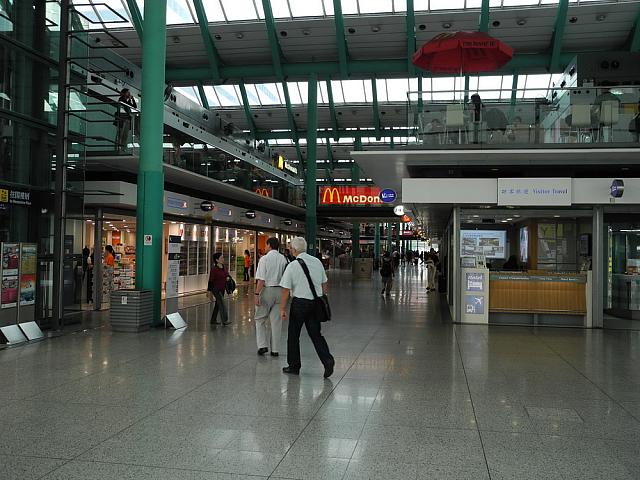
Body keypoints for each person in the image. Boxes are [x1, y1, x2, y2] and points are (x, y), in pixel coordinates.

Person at [279, 237, 335, 378]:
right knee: (316, 334)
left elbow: (285, 290)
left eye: (291, 248)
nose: (290, 250)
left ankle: (294, 366)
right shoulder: (317, 262)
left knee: (293, 335)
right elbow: (324, 284)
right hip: (315, 304)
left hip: (299, 304)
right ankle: (327, 360)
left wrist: (282, 308)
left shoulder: (292, 265)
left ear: (294, 250)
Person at [254, 237, 288, 357]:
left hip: (267, 290)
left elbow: (261, 279)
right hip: (280, 291)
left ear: (269, 245)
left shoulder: (264, 259)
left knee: (260, 319)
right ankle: (275, 350)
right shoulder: (283, 258)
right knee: (276, 321)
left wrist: (257, 294)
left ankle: (262, 346)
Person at [208, 253, 231, 325]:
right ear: (217, 260)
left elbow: (228, 275)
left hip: (222, 288)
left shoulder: (224, 267)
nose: (223, 259)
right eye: (221, 258)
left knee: (218, 304)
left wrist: (228, 278)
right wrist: (208, 291)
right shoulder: (214, 269)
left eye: (223, 257)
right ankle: (225, 320)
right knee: (222, 304)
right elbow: (210, 281)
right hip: (216, 289)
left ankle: (213, 320)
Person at [115, 88, 137, 152]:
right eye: (128, 92)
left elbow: (134, 106)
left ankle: (123, 147)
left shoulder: (127, 100)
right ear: (124, 93)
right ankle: (118, 147)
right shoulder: (121, 99)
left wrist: (132, 99)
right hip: (121, 117)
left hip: (127, 118)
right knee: (120, 133)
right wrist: (129, 113)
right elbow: (125, 106)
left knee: (125, 134)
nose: (129, 94)